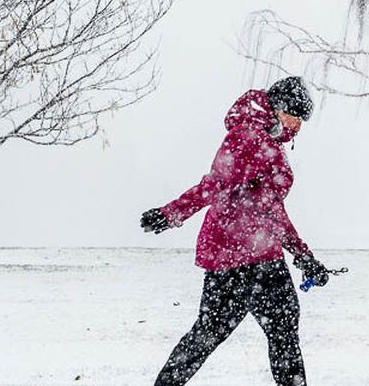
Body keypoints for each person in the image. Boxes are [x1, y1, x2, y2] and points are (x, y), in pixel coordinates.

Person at [140, 76, 334, 386]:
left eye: (302, 120)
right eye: (295, 116)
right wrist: (171, 213)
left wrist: (304, 258)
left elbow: (271, 211)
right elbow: (214, 186)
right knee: (218, 332)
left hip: (259, 253)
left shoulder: (265, 141)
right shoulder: (248, 138)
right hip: (237, 256)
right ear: (279, 109)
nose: (298, 126)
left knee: (274, 327)